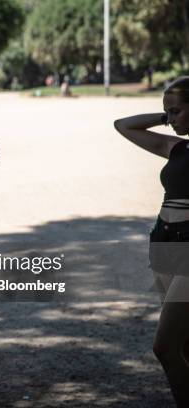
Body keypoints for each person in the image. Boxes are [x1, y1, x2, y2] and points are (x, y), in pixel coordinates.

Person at [114, 76, 189, 407]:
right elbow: (124, 125)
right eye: (167, 114)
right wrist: (166, 115)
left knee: (165, 346)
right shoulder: (178, 147)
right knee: (185, 345)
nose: (171, 120)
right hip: (164, 243)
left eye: (176, 112)